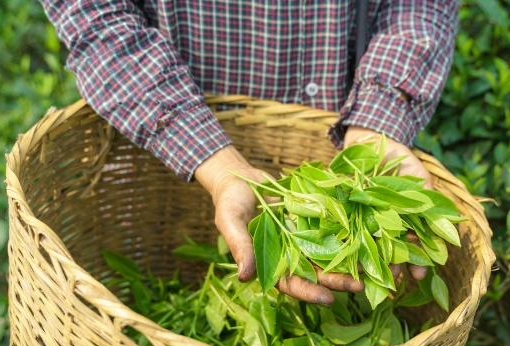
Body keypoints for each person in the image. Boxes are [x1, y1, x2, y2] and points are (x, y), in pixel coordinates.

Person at [40, 0, 459, 305]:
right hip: (164, 144)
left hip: (338, 138)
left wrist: (376, 124)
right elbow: (95, 15)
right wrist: (218, 165)